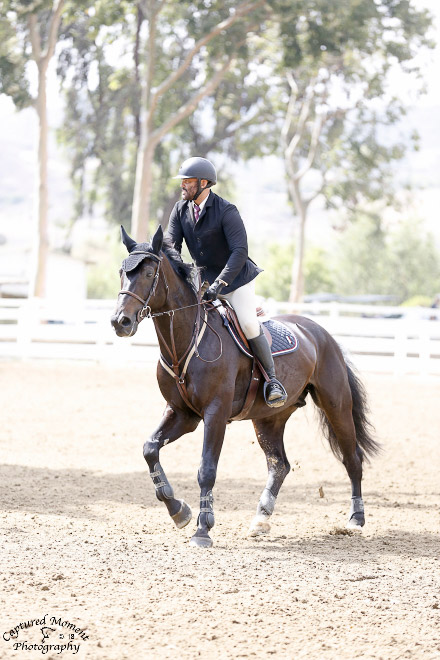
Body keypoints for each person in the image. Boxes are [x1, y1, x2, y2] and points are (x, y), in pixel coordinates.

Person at [166, 156, 287, 408]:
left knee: (248, 324)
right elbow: (171, 248)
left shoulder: (226, 211)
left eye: (187, 182)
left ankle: (272, 381)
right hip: (202, 282)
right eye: (183, 181)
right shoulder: (180, 210)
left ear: (203, 183)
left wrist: (220, 284)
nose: (183, 186)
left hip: (235, 280)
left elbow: (239, 251)